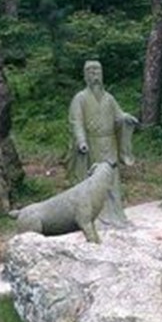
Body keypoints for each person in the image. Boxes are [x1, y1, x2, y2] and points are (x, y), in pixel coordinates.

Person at [68, 60, 138, 226]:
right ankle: (95, 215)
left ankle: (115, 214)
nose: (95, 76)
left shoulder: (109, 98)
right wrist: (81, 141)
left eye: (98, 72)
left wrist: (126, 118)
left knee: (112, 179)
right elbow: (76, 121)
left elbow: (118, 116)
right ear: (85, 76)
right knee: (95, 180)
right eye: (91, 72)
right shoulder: (80, 98)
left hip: (110, 144)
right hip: (92, 144)